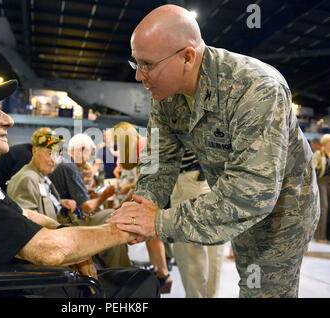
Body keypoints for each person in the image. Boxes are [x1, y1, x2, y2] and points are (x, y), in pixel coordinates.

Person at [107, 5, 319, 298]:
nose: (138, 76)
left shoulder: (256, 88)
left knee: (263, 290)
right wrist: (142, 207)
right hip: (234, 199)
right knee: (249, 282)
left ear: (187, 57)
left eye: (147, 65)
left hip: (282, 213)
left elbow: (252, 191)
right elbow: (160, 159)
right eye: (136, 63)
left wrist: (158, 222)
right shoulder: (166, 95)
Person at [0, 63, 159, 298]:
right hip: (8, 289)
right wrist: (132, 226)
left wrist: (65, 238)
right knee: (138, 284)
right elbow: (48, 252)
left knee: (131, 280)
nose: (8, 120)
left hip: (13, 283)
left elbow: (25, 216)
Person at [7, 128, 132, 268]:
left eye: (58, 155)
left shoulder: (39, 176)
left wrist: (59, 203)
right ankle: (121, 275)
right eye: (50, 154)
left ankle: (121, 271)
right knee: (111, 222)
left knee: (111, 218)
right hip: (57, 234)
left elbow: (38, 202)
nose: (54, 161)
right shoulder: (28, 178)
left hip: (63, 224)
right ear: (35, 151)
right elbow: (25, 223)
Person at [48, 133, 132, 268]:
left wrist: (88, 194)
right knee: (114, 217)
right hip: (70, 221)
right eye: (90, 153)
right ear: (81, 149)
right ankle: (121, 269)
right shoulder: (70, 168)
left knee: (111, 215)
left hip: (61, 217)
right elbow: (88, 207)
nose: (90, 158)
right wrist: (104, 195)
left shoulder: (64, 164)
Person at [112, 122, 172, 293]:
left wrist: (124, 203)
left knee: (152, 234)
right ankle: (160, 271)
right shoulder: (141, 146)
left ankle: (162, 273)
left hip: (160, 192)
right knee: (152, 236)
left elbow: (146, 183)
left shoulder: (143, 148)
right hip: (159, 190)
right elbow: (140, 182)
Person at [170, 148, 225, 298]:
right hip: (217, 177)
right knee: (214, 250)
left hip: (189, 179)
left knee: (189, 255)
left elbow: (155, 151)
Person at [312, 134, 330, 243]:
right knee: (323, 208)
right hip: (321, 182)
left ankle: (327, 236)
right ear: (324, 143)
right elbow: (312, 169)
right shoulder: (319, 154)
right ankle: (319, 236)